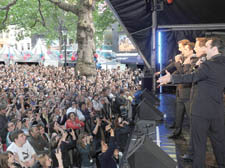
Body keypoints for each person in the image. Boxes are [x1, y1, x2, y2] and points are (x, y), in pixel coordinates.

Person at [157, 37, 225, 168]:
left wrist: (171, 77)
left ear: (214, 48)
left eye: (208, 47)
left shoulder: (208, 65)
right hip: (218, 110)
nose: (205, 49)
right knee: (219, 143)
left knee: (199, 146)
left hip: (201, 111)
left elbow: (192, 77)